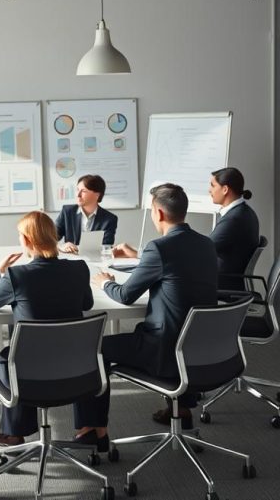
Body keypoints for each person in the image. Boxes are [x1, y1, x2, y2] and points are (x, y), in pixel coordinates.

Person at [75, 183, 218, 447]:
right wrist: (142, 260)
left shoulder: (160, 248)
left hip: (164, 349)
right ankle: (183, 409)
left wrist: (105, 282)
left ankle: (92, 429)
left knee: (94, 349)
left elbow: (125, 295)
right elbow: (179, 273)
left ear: (160, 214)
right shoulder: (206, 244)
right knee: (172, 326)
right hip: (202, 349)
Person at [0, 211, 93, 446]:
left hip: (29, 377)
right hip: (77, 370)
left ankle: (14, 432)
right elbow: (86, 303)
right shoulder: (79, 269)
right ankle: (90, 429)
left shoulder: (17, 276)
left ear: (27, 240)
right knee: (24, 354)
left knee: (6, 356)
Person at [208, 167, 259, 292]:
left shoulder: (234, 219)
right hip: (227, 279)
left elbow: (206, 248)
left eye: (213, 186)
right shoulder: (243, 211)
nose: (209, 190)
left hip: (223, 283)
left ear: (225, 190)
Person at [55, 174, 118, 253]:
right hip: (71, 261)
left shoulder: (110, 219)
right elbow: (49, 239)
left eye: (84, 191)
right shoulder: (67, 212)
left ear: (97, 195)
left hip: (97, 261)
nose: (78, 195)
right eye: (77, 189)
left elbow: (106, 247)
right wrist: (61, 246)